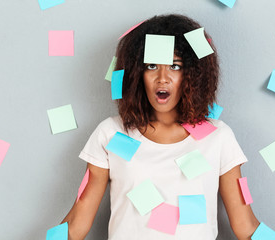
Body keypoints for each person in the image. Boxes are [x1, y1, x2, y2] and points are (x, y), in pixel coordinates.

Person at [62, 14, 259, 240]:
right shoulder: (110, 133)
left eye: (175, 66)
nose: (162, 78)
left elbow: (246, 226)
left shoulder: (219, 137)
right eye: (152, 66)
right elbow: (77, 224)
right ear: (137, 73)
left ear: (191, 76)